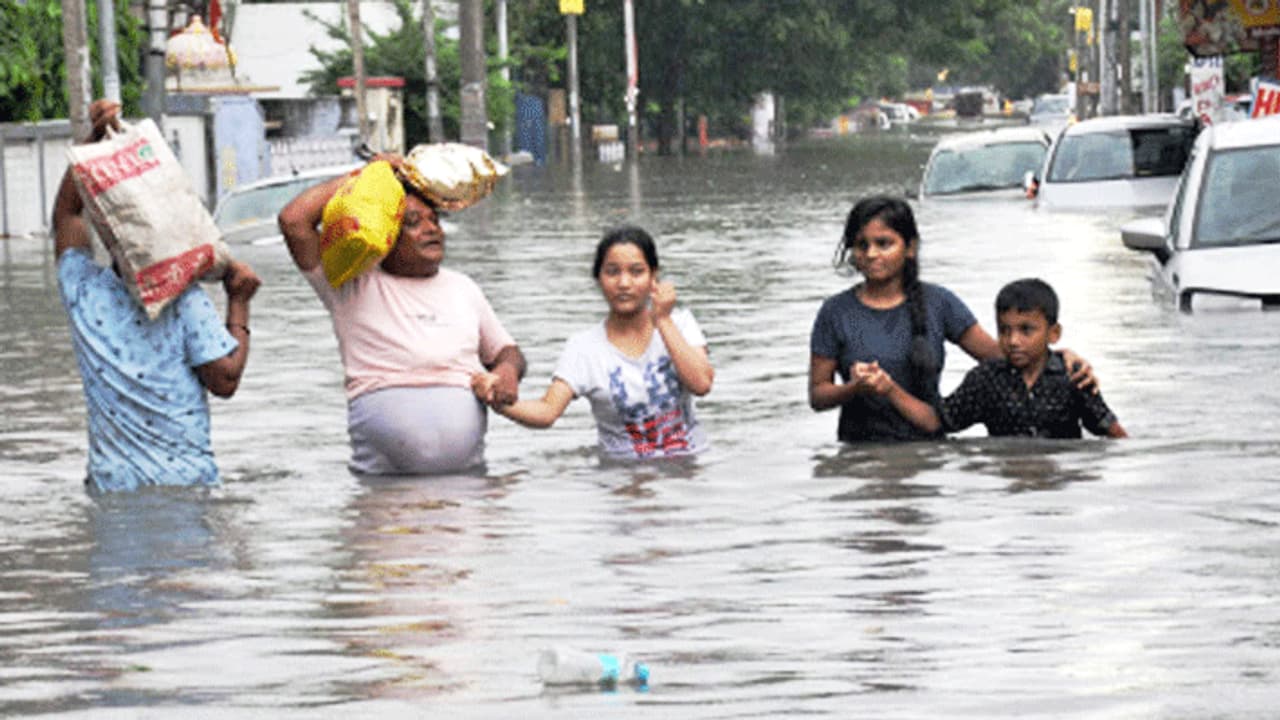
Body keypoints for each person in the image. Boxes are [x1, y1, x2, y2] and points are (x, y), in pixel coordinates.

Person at [52, 100, 261, 492]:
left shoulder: (84, 293)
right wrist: (240, 300)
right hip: (185, 488)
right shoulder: (184, 300)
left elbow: (67, 217)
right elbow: (225, 379)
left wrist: (94, 141)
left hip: (110, 486)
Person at [277, 156, 525, 475]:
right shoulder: (350, 285)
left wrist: (506, 372)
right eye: (413, 222)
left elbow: (506, 351)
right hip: (383, 494)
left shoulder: (463, 288)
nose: (431, 229)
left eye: (434, 219)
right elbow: (293, 220)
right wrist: (372, 174)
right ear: (387, 233)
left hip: (469, 490)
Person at [808, 195, 1094, 443]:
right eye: (861, 245)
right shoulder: (836, 312)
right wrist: (854, 388)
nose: (871, 254)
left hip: (930, 453)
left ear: (910, 248)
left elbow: (1003, 356)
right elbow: (818, 395)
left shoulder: (939, 303)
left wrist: (1060, 359)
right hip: (859, 455)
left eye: (884, 244)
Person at [479, 226, 714, 459]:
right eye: (612, 272)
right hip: (622, 478)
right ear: (598, 278)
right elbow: (547, 411)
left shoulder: (680, 324)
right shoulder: (584, 348)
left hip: (688, 471)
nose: (624, 283)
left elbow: (701, 384)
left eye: (636, 272)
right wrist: (496, 399)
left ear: (654, 277)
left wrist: (662, 320)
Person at [860, 278, 1128, 439]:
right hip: (1007, 495)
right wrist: (890, 389)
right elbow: (936, 422)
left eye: (1026, 330)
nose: (1013, 341)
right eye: (1004, 330)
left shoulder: (1073, 377)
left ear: (1053, 333)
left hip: (1060, 494)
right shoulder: (985, 380)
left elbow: (1114, 435)